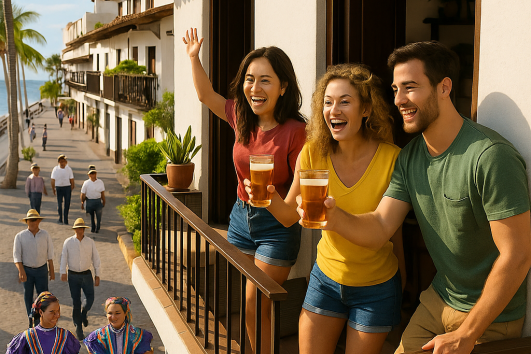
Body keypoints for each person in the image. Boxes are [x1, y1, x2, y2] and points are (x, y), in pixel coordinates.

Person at [305, 41, 531, 354]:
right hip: (438, 300)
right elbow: (380, 227)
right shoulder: (410, 158)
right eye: (396, 89)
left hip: (490, 316)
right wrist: (335, 217)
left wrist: (466, 335)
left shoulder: (490, 157)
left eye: (410, 87)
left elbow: (517, 255)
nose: (399, 100)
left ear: (444, 87)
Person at [246, 64, 405, 354]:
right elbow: (288, 217)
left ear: (366, 109)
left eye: (345, 101)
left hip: (375, 287)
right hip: (326, 279)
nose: (334, 110)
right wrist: (266, 196)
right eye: (328, 103)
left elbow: (383, 231)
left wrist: (336, 219)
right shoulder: (313, 152)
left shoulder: (393, 160)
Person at [183, 27, 307, 353]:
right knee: (250, 303)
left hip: (277, 227)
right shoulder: (241, 116)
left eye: (265, 79)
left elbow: (296, 203)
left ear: (283, 87)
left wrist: (269, 195)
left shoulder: (297, 132)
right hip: (240, 219)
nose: (255, 87)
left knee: (256, 300)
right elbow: (205, 95)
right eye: (250, 79)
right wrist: (194, 57)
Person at [60, 218, 101, 340]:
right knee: (76, 302)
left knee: (90, 298)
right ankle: (78, 328)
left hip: (87, 274)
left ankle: (83, 314)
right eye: (77, 228)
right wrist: (63, 271)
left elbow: (96, 258)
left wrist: (97, 274)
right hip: (72, 275)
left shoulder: (90, 242)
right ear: (74, 229)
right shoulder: (68, 242)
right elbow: (64, 257)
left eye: (81, 228)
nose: (79, 230)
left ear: (84, 229)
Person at [13, 210, 55, 328]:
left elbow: (50, 253)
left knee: (44, 297)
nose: (32, 222)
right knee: (28, 296)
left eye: (35, 220)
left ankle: (43, 320)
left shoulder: (45, 235)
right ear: (26, 222)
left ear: (39, 221)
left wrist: (51, 270)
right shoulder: (20, 237)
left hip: (42, 270)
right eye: (30, 220)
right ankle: (32, 320)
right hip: (27, 270)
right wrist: (21, 271)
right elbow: (17, 256)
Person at [6, 292, 80, 354]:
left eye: (58, 311)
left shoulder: (66, 336)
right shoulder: (26, 338)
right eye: (52, 312)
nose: (57, 315)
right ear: (41, 312)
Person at [84, 297, 153, 354]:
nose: (113, 317)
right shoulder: (96, 337)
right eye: (110, 313)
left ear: (125, 313)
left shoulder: (140, 336)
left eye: (117, 313)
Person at [80, 165, 106, 233]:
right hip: (90, 201)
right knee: (91, 215)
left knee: (98, 215)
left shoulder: (100, 182)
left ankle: (98, 227)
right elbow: (83, 194)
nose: (92, 175)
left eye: (94, 173)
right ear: (88, 175)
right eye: (91, 174)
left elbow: (102, 193)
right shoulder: (86, 183)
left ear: (96, 174)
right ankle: (93, 227)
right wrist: (82, 202)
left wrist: (103, 201)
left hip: (97, 200)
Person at [51, 154, 75, 225]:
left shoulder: (68, 169)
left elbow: (72, 179)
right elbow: (52, 180)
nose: (62, 163)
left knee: (67, 204)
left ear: (66, 162)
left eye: (64, 161)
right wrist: (53, 189)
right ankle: (60, 218)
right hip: (59, 187)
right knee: (59, 203)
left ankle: (66, 218)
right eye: (61, 161)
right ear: (58, 162)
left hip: (67, 187)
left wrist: (71, 187)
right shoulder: (55, 169)